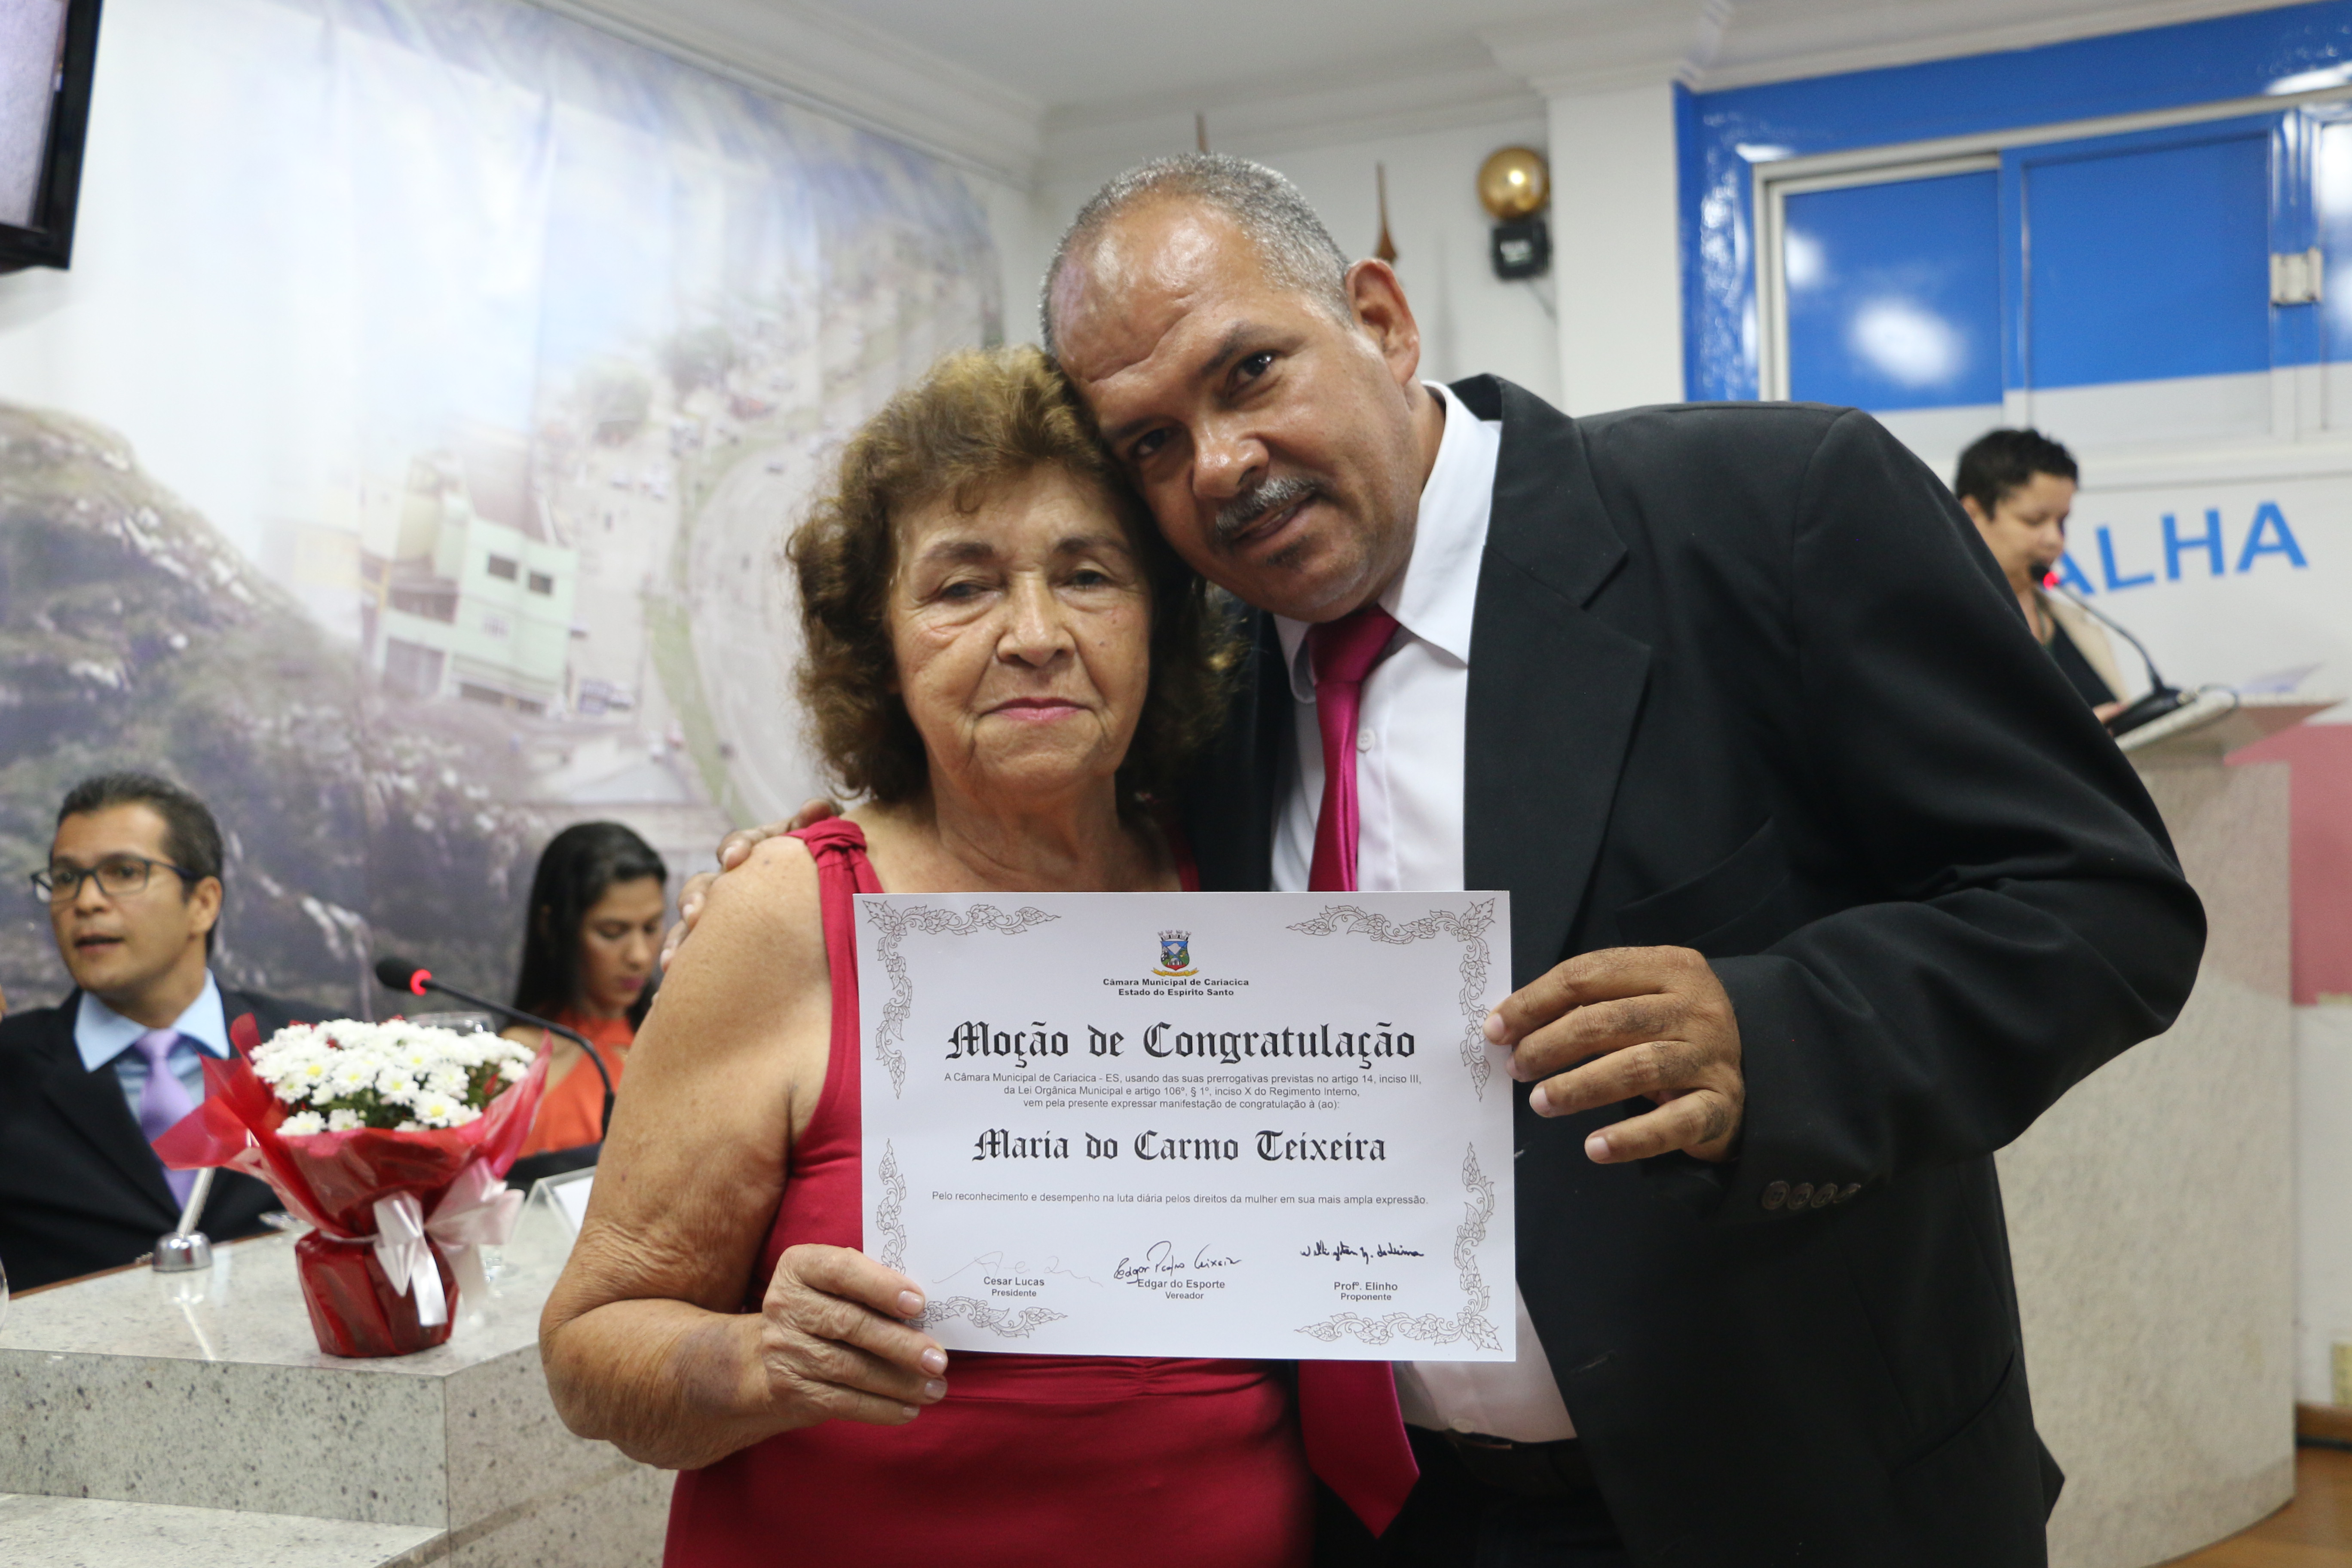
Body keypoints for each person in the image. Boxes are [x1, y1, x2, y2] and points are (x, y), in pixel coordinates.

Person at [680, 156, 2205, 1567]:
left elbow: (2102, 902)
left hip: (1802, 1502)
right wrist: (801, 869)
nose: (1221, 463)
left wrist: (1778, 1028)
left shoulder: (1770, 509)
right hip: (1393, 1523)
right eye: (1151, 442)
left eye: (1249, 370)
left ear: (1380, 317)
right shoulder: (1200, 686)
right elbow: (1024, 830)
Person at [538, 346, 1313, 1567]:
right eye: (962, 588)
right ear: (882, 648)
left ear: (1160, 621)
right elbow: (589, 1353)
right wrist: (760, 1361)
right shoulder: (787, 914)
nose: (1035, 635)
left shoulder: (1237, 877)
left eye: (1089, 575)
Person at [0, 772, 309, 1290]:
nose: (86, 901)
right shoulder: (8, 1071)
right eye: (66, 878)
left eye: (124, 872)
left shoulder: (309, 1051)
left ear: (203, 903)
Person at [505, 821, 666, 1160]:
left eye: (652, 928)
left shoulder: (679, 1043)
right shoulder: (516, 1063)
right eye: (612, 932)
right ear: (552, 927)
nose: (639, 956)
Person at [1954, 426, 2130, 721]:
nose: (2054, 540)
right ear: (1971, 515)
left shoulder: (2078, 626)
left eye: (2061, 522)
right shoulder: (1934, 628)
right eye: (2034, 521)